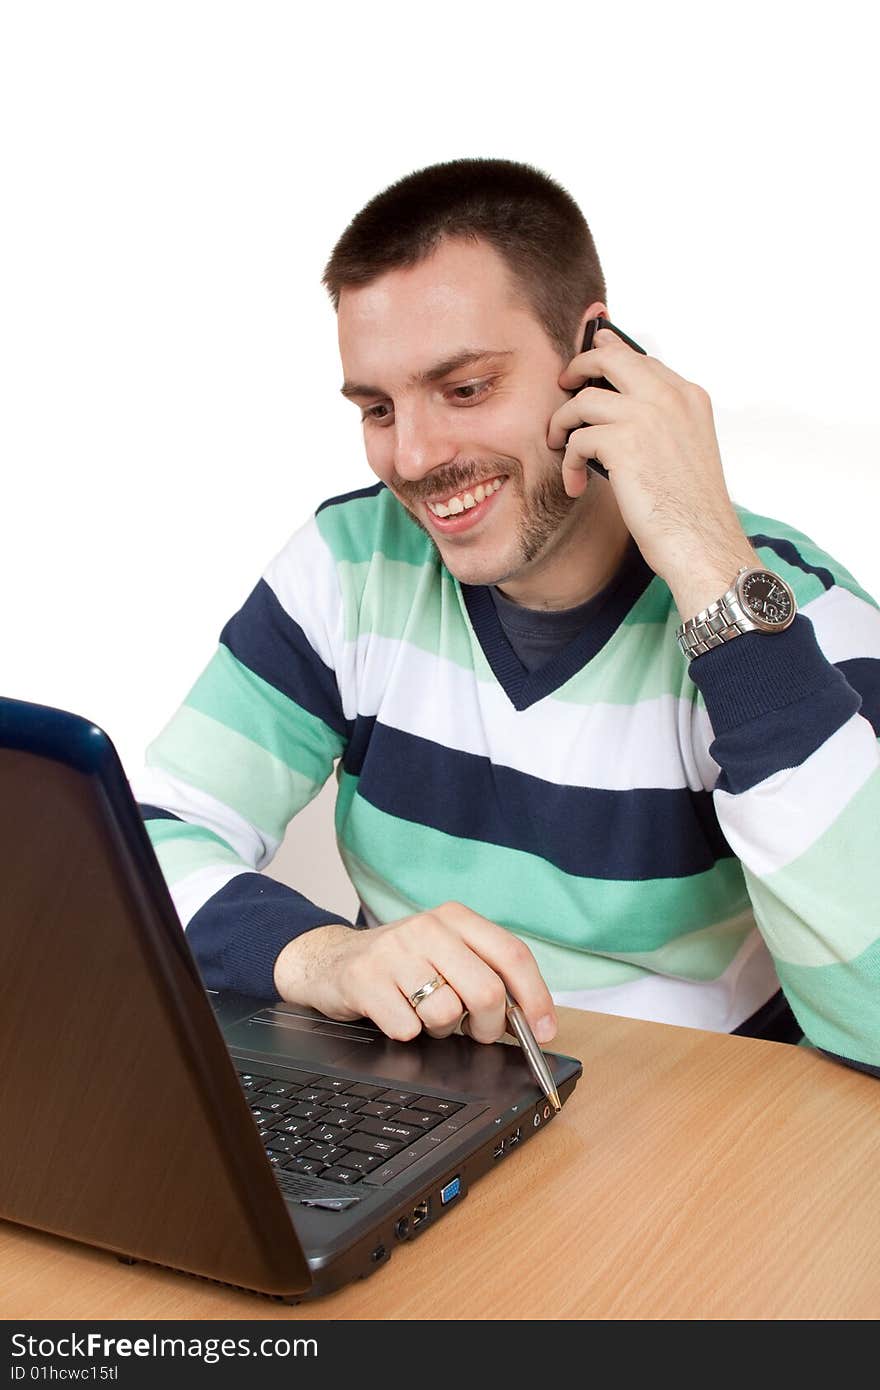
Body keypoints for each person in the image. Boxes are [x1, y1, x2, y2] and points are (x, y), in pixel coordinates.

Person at [135, 158, 880, 1075]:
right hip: (419, 1107)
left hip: (697, 1133)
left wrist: (702, 557)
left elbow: (876, 1016)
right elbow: (146, 842)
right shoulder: (347, 565)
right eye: (377, 407)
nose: (411, 456)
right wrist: (328, 956)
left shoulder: (786, 612)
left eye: (465, 389)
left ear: (596, 354)